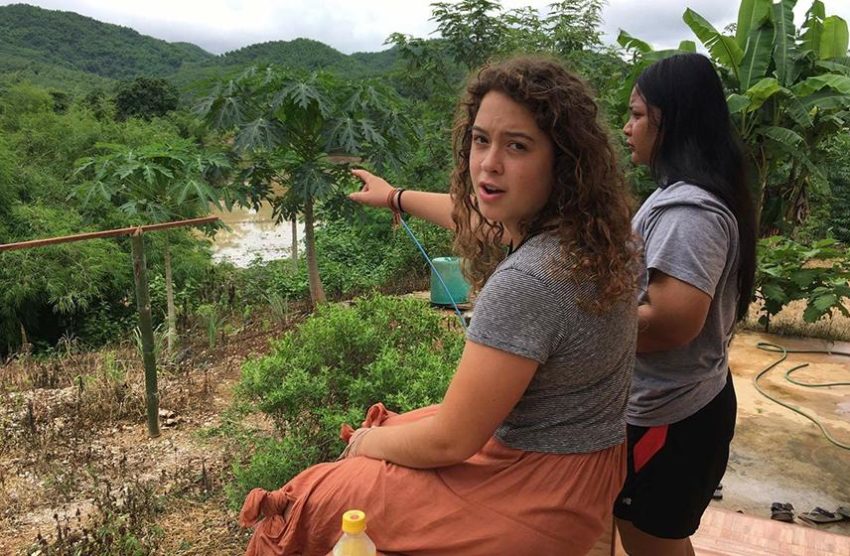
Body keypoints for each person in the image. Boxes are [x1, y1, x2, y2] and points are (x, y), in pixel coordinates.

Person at [238, 56, 640, 555]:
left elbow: (451, 441)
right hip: (589, 469)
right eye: (480, 139)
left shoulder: (529, 279)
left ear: (563, 160)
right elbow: (473, 218)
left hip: (535, 489)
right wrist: (396, 197)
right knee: (386, 431)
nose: (488, 163)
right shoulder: (603, 238)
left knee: (315, 496)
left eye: (517, 146)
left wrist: (366, 447)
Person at [612, 53, 757, 555]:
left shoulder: (689, 211)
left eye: (635, 114)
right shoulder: (683, 194)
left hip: (670, 417)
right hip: (677, 405)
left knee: (650, 543)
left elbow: (671, 324)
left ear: (668, 119)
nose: (626, 127)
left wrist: (574, 318)